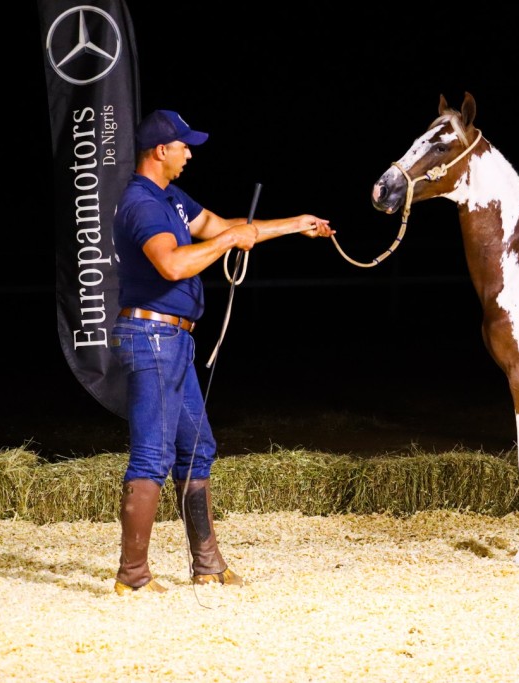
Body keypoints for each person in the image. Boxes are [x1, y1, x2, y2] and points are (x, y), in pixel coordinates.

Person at [109, 109, 333, 595]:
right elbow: (172, 264)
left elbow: (221, 225)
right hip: (152, 337)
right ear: (161, 150)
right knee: (152, 455)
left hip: (174, 340)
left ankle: (207, 565)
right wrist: (230, 238)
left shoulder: (171, 199)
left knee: (198, 448)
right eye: (184, 146)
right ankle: (133, 577)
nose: (189, 154)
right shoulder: (142, 203)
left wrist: (295, 224)